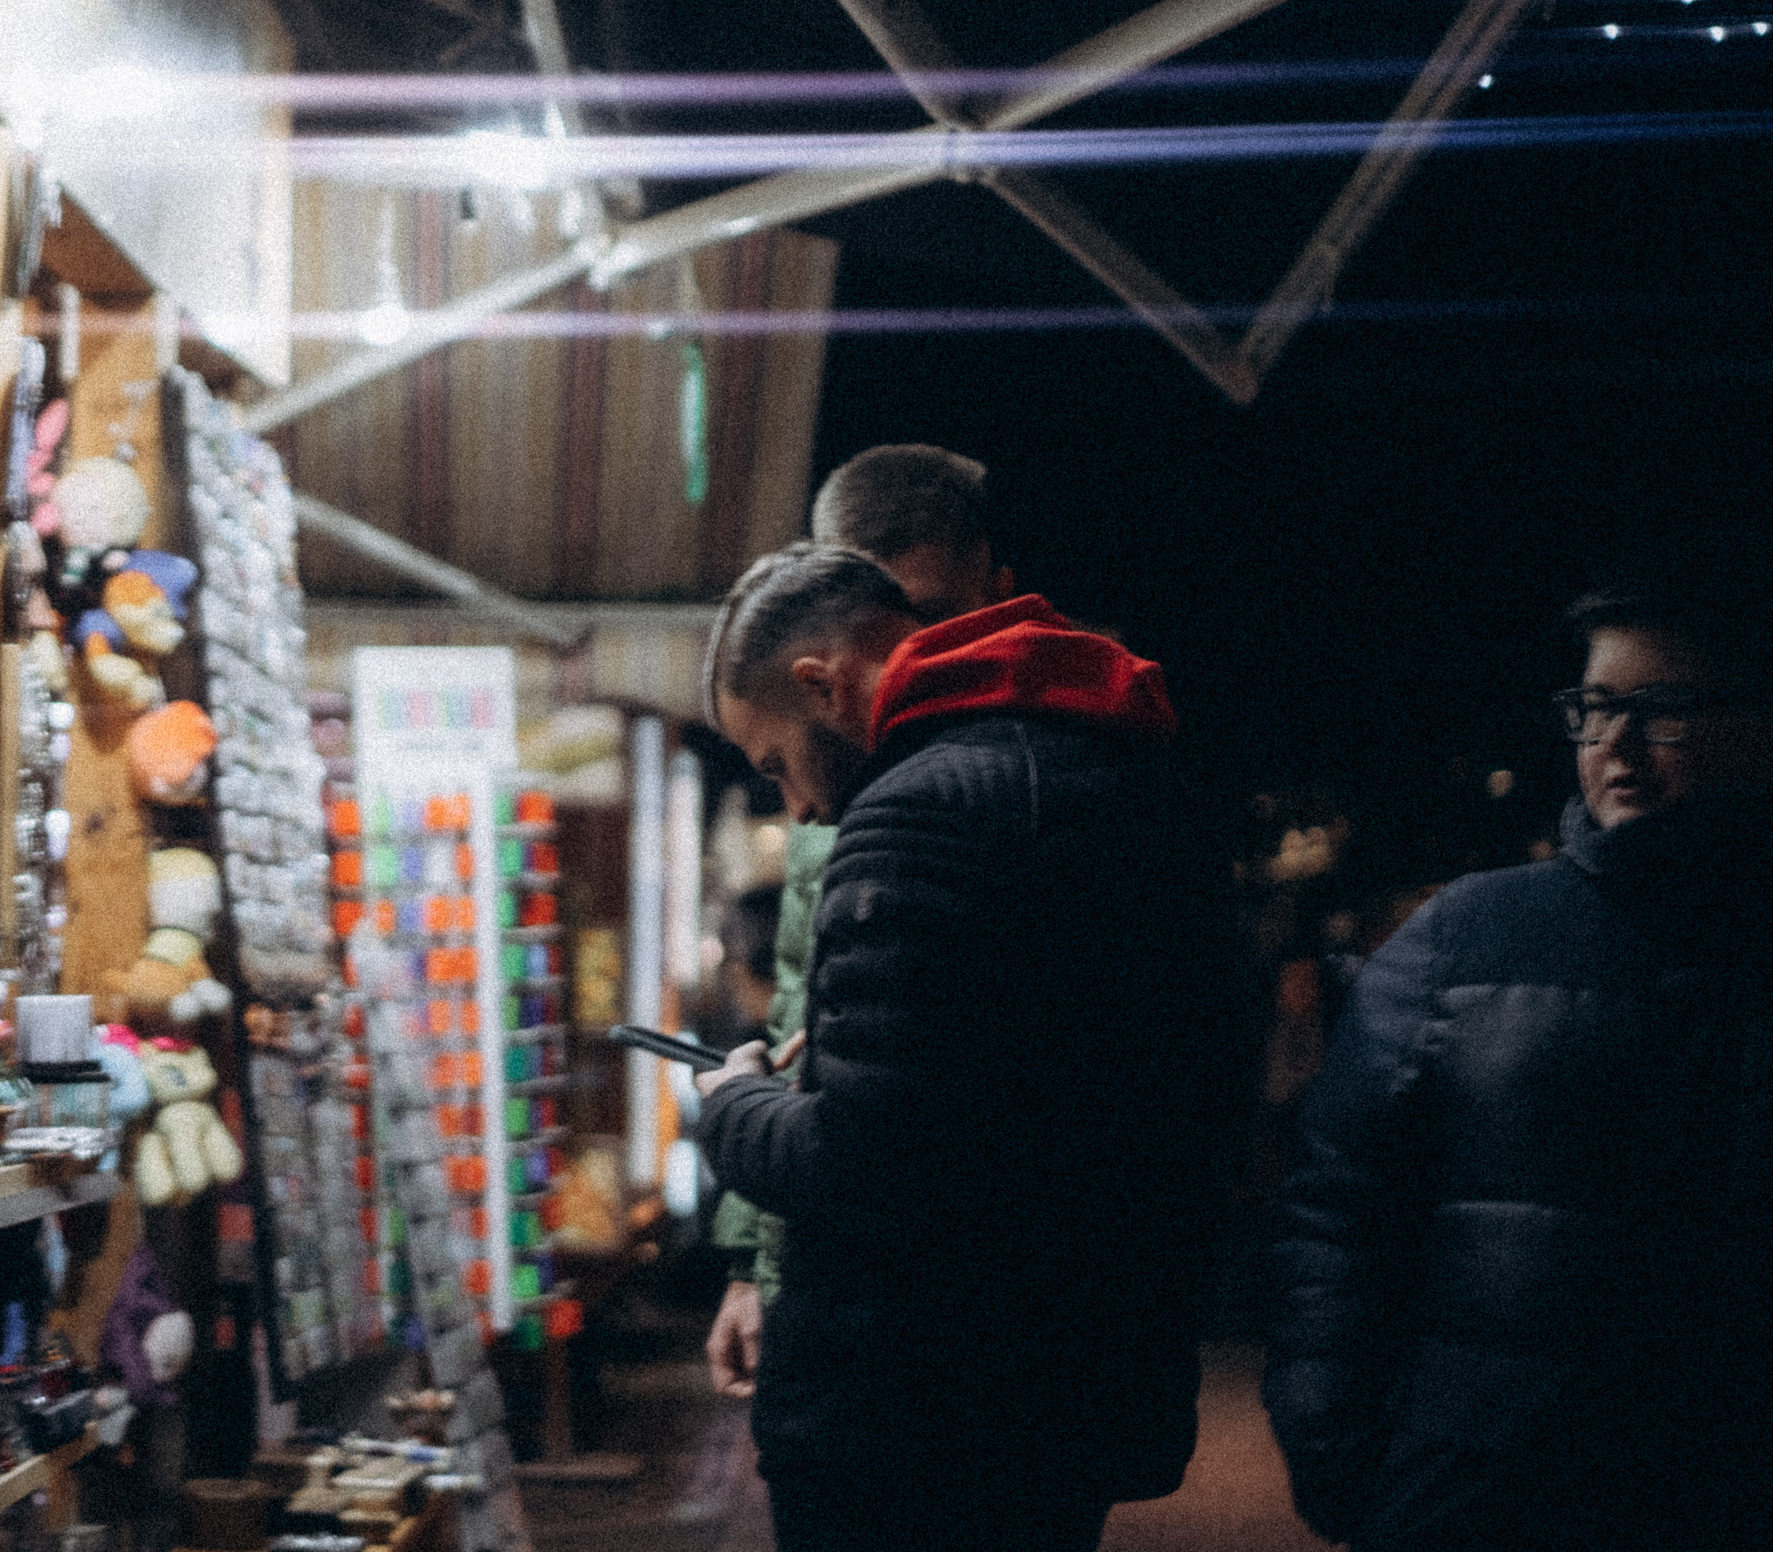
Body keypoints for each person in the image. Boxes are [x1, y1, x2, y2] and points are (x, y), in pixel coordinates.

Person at [695, 543, 1227, 1552]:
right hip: (1070, 1388)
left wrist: (733, 1106)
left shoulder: (917, 813)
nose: (797, 808)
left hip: (908, 1412)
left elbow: (867, 1157)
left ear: (823, 682)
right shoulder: (1128, 774)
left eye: (775, 765)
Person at [1261, 581, 1773, 1551]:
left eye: (1659, 710)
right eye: (1593, 707)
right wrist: (1343, 1458)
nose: (1612, 745)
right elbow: (1338, 1212)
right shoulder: (1467, 933)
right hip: (1481, 1502)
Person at [706, 444, 1016, 1401]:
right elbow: (802, 1010)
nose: (910, 654)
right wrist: (753, 1269)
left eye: (933, 617)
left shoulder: (1011, 754)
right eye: (891, 619)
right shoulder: (833, 786)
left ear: (997, 587)